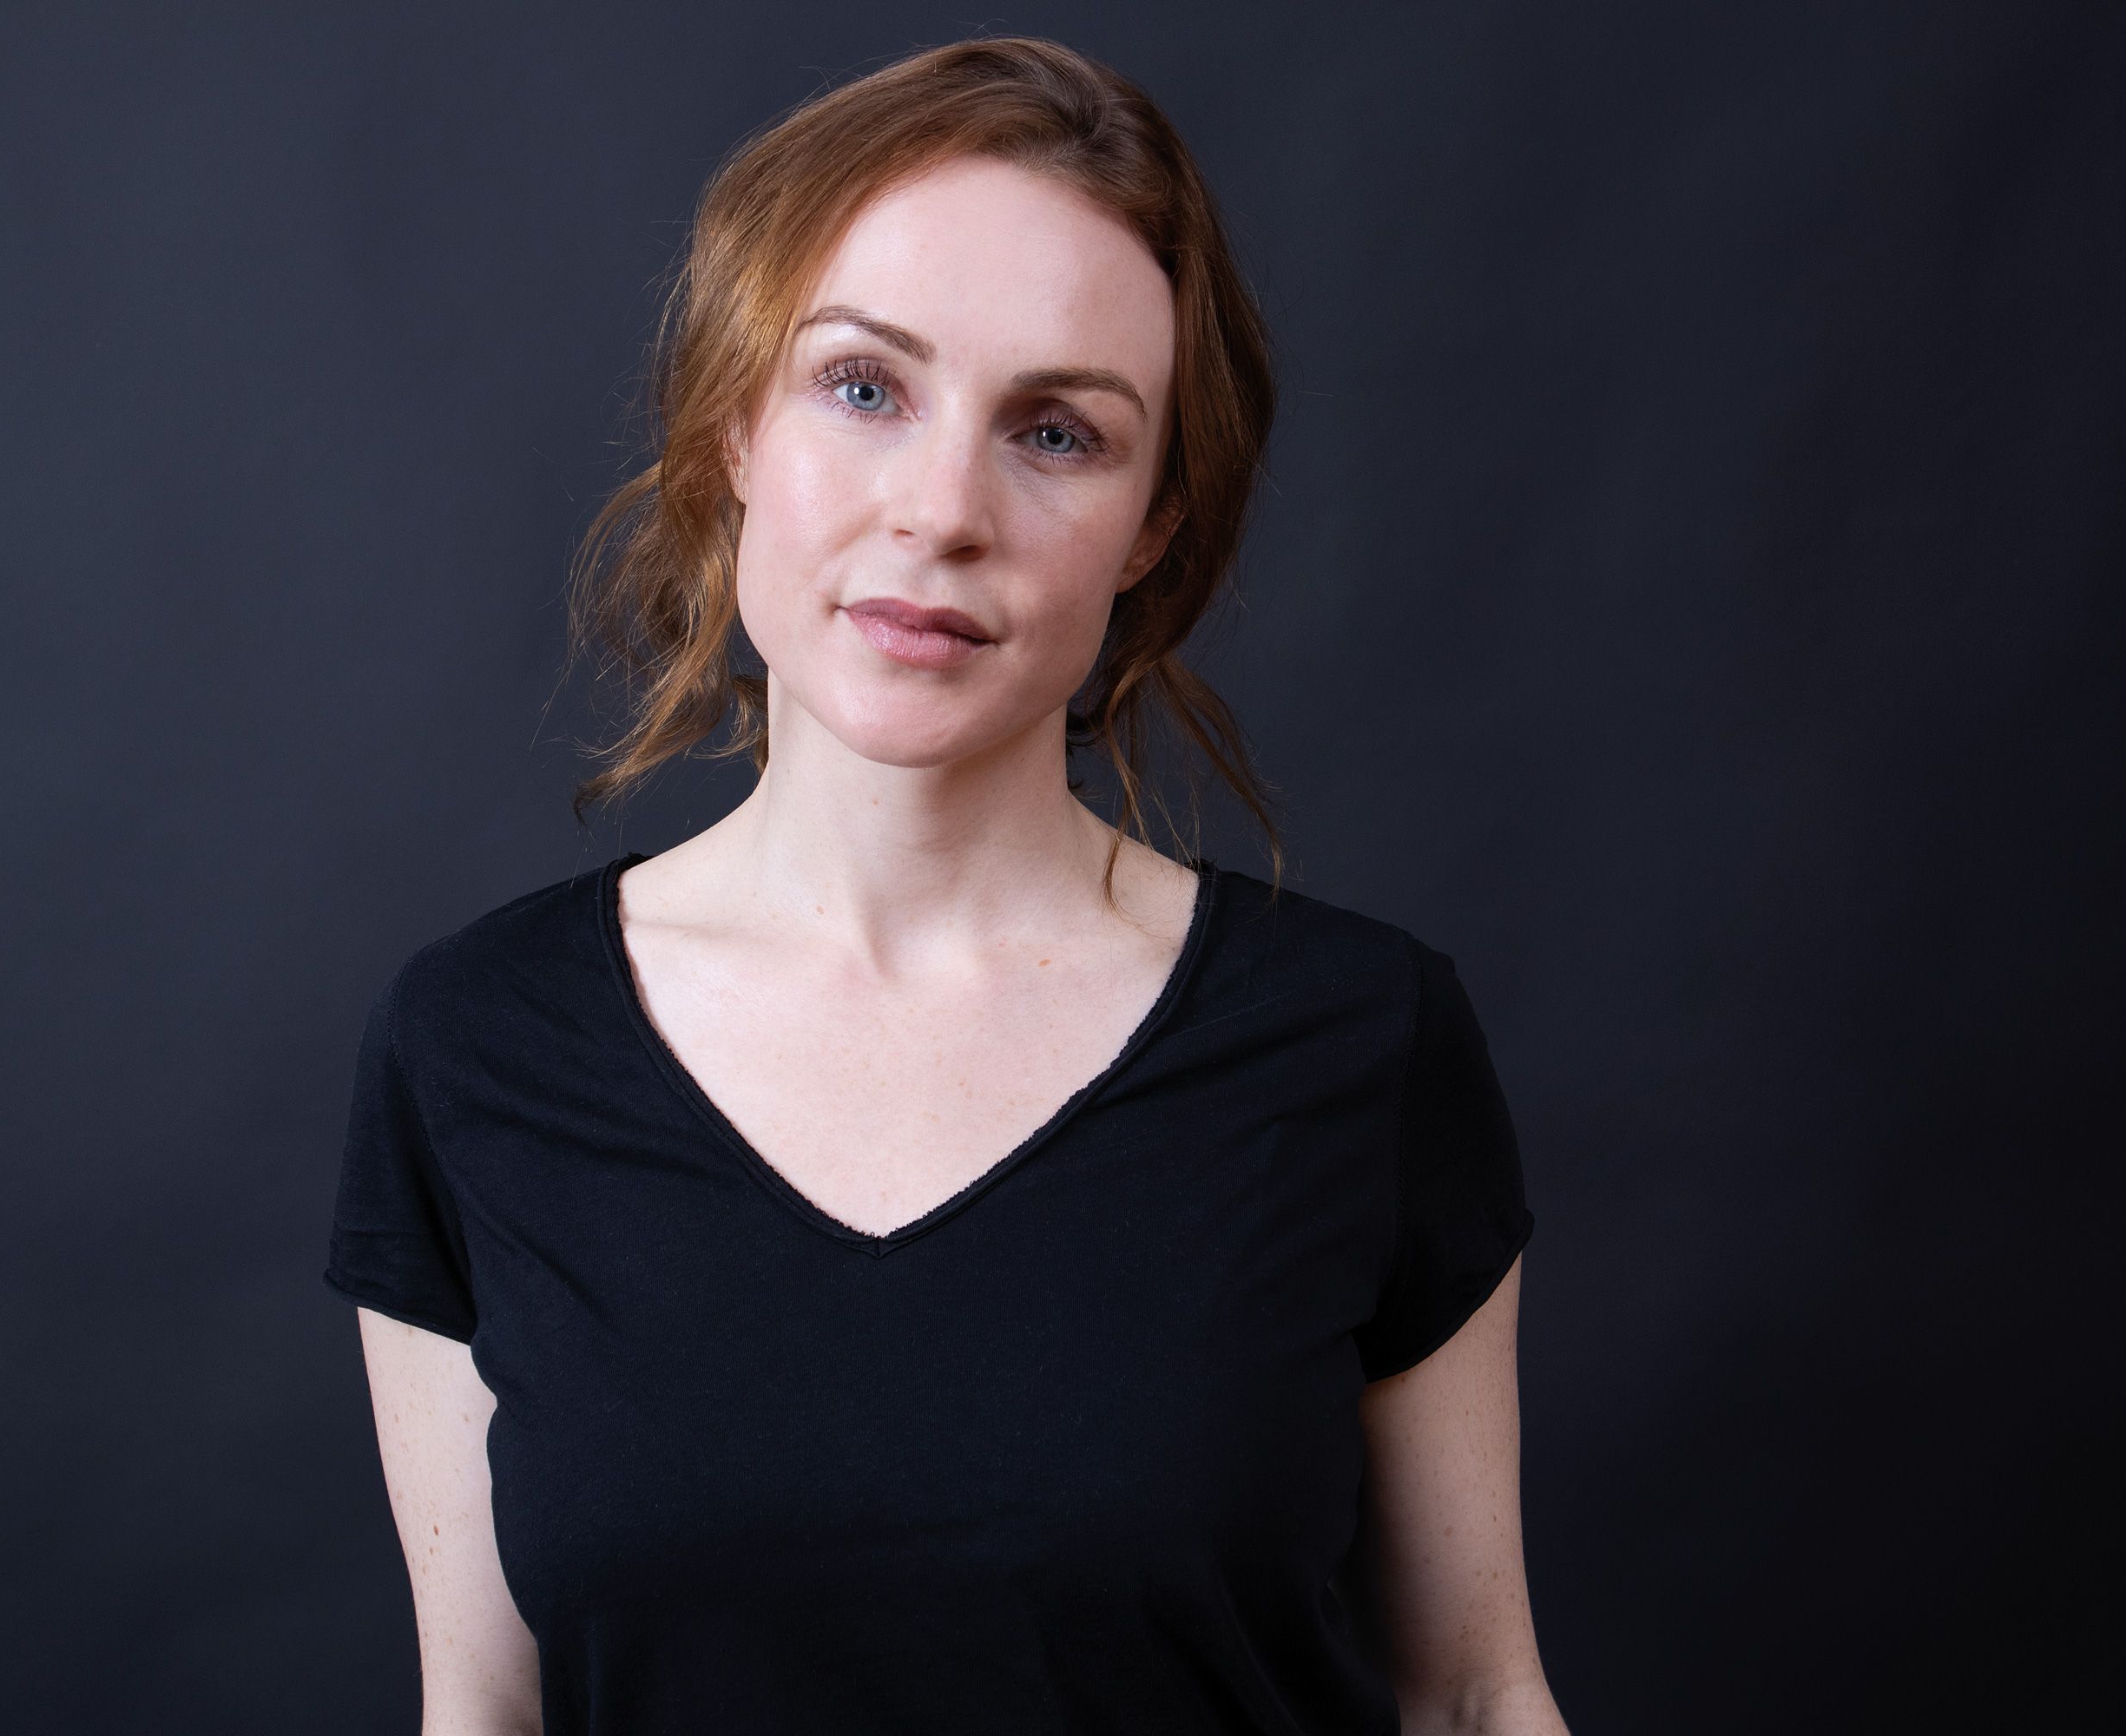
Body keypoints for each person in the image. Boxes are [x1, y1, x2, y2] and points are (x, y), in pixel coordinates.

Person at [325, 35, 1563, 1736]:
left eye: (1057, 432)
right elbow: (482, 1712)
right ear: (736, 422)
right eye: (864, 387)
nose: (942, 509)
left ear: (1152, 525)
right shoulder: (475, 1047)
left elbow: (1477, 1699)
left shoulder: (1363, 1040)